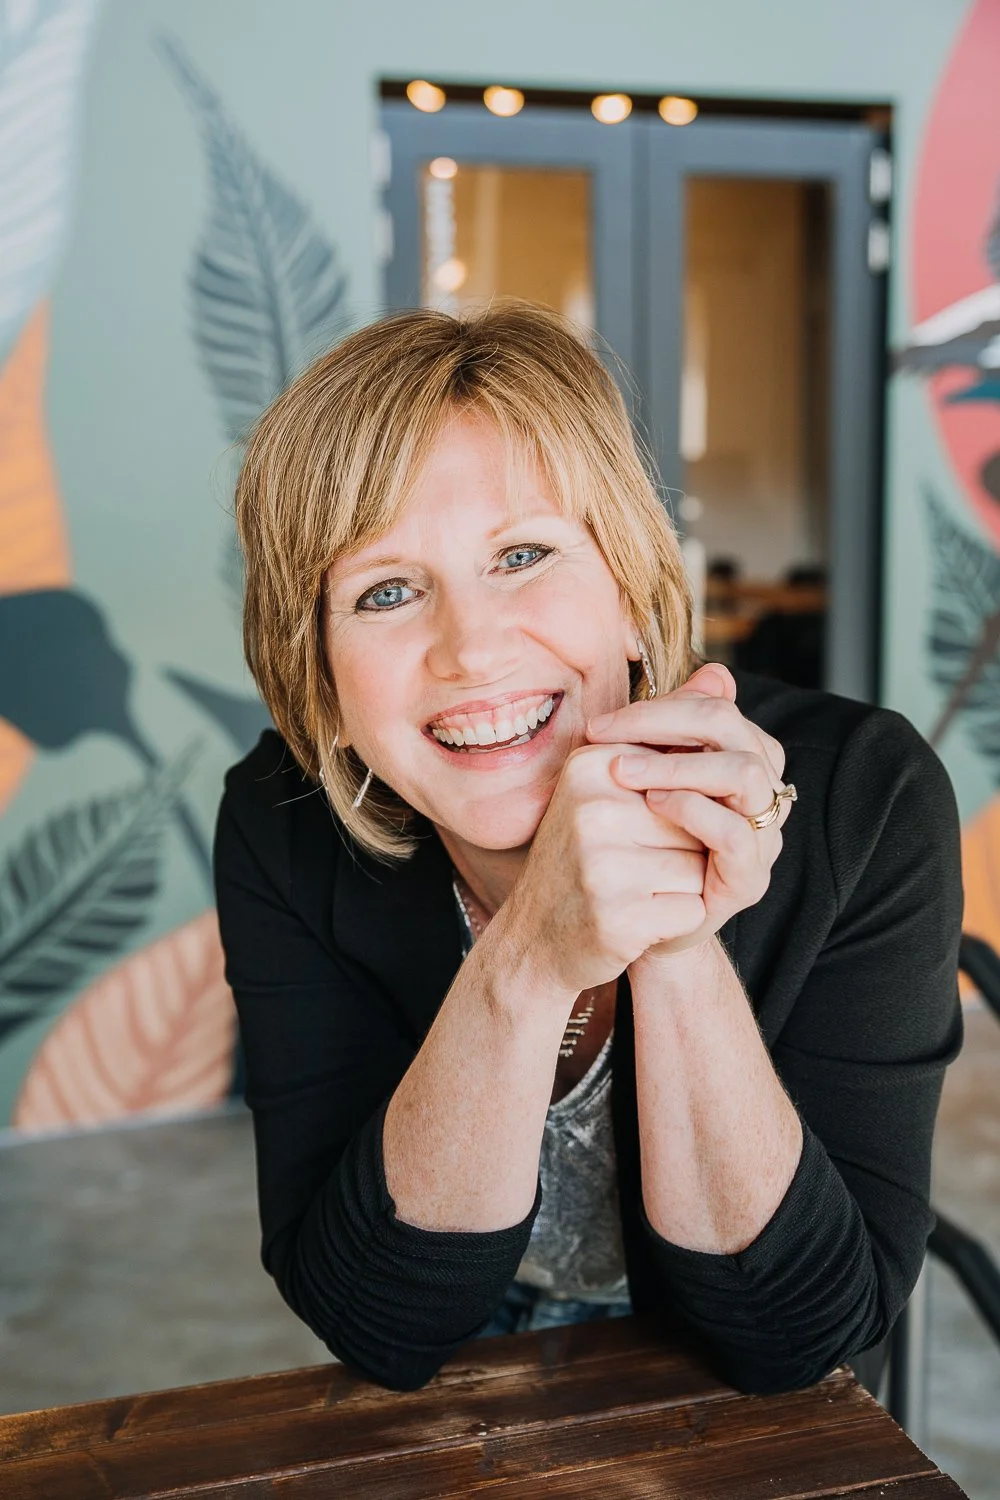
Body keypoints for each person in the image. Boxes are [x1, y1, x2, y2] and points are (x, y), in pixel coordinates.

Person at [214, 301, 962, 1395]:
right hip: (467, 1385)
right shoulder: (283, 825)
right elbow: (375, 1323)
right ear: (320, 692)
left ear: (630, 596)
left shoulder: (866, 797)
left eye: (521, 553)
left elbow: (800, 1337)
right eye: (385, 590)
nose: (470, 650)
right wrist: (530, 957)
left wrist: (671, 930)